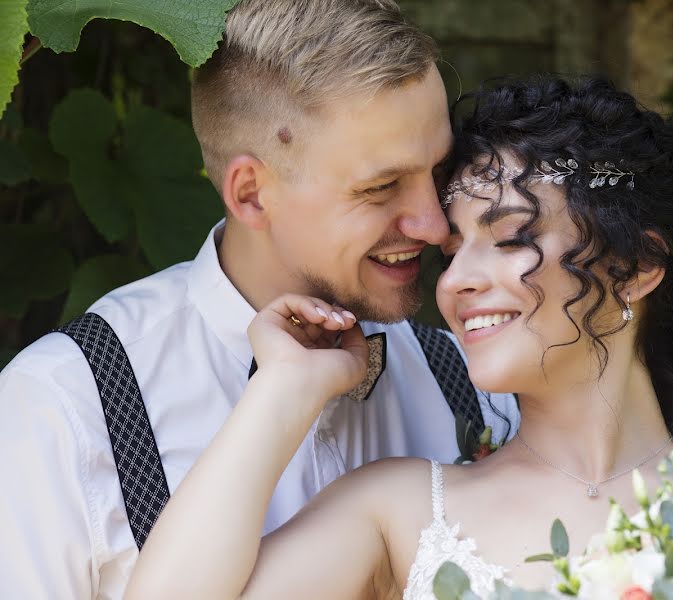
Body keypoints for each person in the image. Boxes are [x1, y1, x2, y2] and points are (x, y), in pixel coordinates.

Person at [124, 76, 673, 599]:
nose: (455, 281)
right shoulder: (398, 510)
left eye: (511, 238)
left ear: (637, 267)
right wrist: (281, 389)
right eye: (454, 249)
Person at [0, 1, 518, 597]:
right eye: (380, 188)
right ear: (250, 195)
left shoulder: (475, 381)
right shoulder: (66, 408)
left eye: (438, 171)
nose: (433, 224)